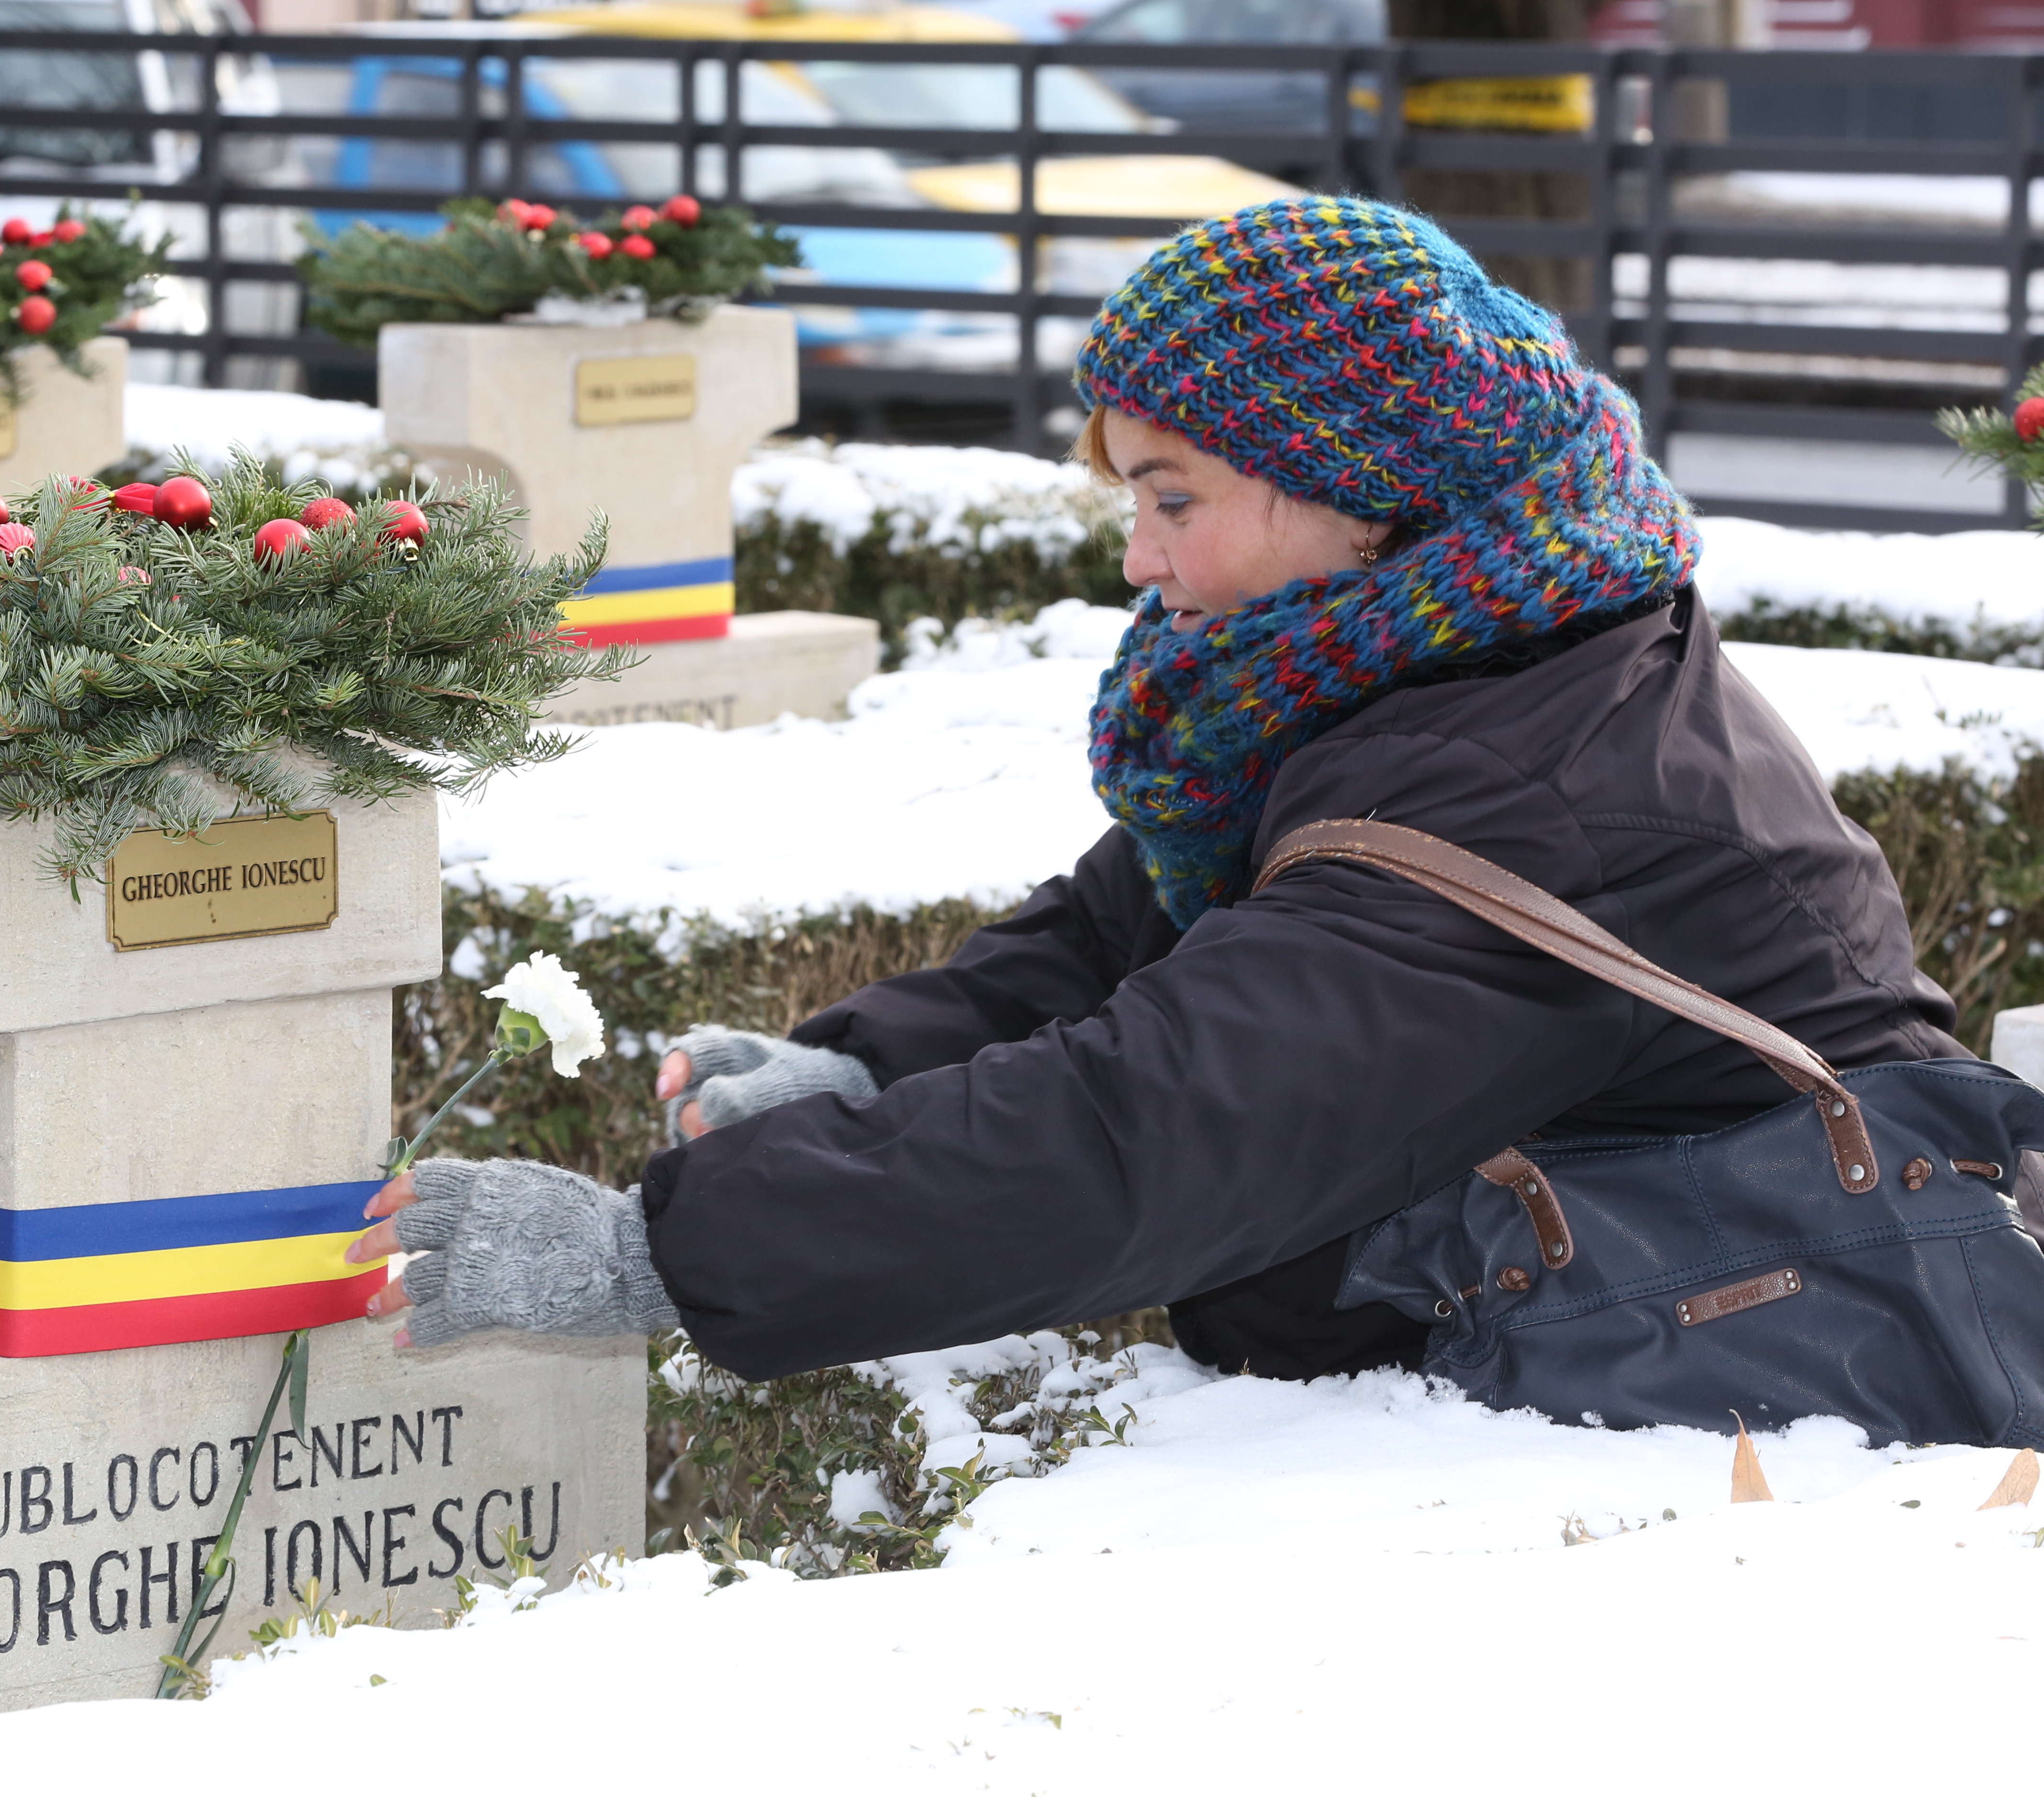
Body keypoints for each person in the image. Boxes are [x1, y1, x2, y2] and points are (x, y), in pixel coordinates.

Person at [344, 195, 1966, 1385]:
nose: (1139, 559)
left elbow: (1162, 1123)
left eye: (1174, 497)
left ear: (1365, 489)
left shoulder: (1527, 787)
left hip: (1733, 1387)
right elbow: (1135, 925)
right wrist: (857, 1071)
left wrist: (669, 1256)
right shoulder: (1467, 650)